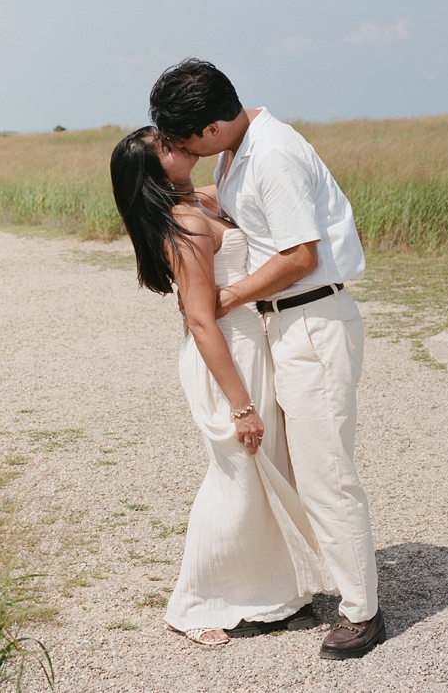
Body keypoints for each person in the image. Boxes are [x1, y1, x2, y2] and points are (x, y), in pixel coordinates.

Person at [149, 59, 382, 660]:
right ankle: (302, 581)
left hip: (310, 316)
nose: (177, 148)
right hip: (282, 323)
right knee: (296, 465)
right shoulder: (235, 152)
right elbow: (244, 212)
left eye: (180, 140)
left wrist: (223, 297)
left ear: (212, 128)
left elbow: (301, 256)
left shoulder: (270, 154)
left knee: (325, 471)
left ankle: (362, 612)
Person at [111, 126, 329, 647]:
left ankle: (271, 593)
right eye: (163, 147)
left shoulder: (204, 199)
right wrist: (240, 405)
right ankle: (195, 601)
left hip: (250, 343)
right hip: (224, 356)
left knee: (262, 474)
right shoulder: (184, 222)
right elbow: (202, 319)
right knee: (235, 477)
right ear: (153, 172)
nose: (176, 143)